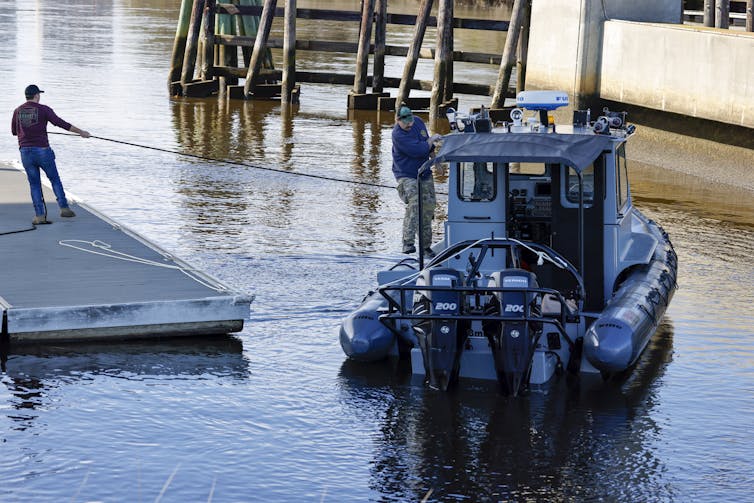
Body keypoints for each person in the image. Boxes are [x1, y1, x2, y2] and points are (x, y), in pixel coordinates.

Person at [11, 84, 90, 225]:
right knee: (54, 179)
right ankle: (64, 208)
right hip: (42, 151)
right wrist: (81, 132)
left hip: (25, 152)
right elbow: (62, 124)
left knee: (34, 184)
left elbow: (14, 132)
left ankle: (40, 216)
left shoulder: (17, 111)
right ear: (36, 95)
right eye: (39, 94)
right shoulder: (44, 109)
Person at [391, 105, 442, 257]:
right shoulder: (398, 135)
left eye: (411, 121)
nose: (410, 124)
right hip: (406, 174)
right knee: (415, 202)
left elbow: (428, 145)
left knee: (429, 207)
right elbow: (419, 150)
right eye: (406, 122)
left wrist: (436, 162)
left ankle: (426, 247)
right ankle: (407, 242)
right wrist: (431, 139)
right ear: (397, 120)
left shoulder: (418, 122)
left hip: (424, 172)